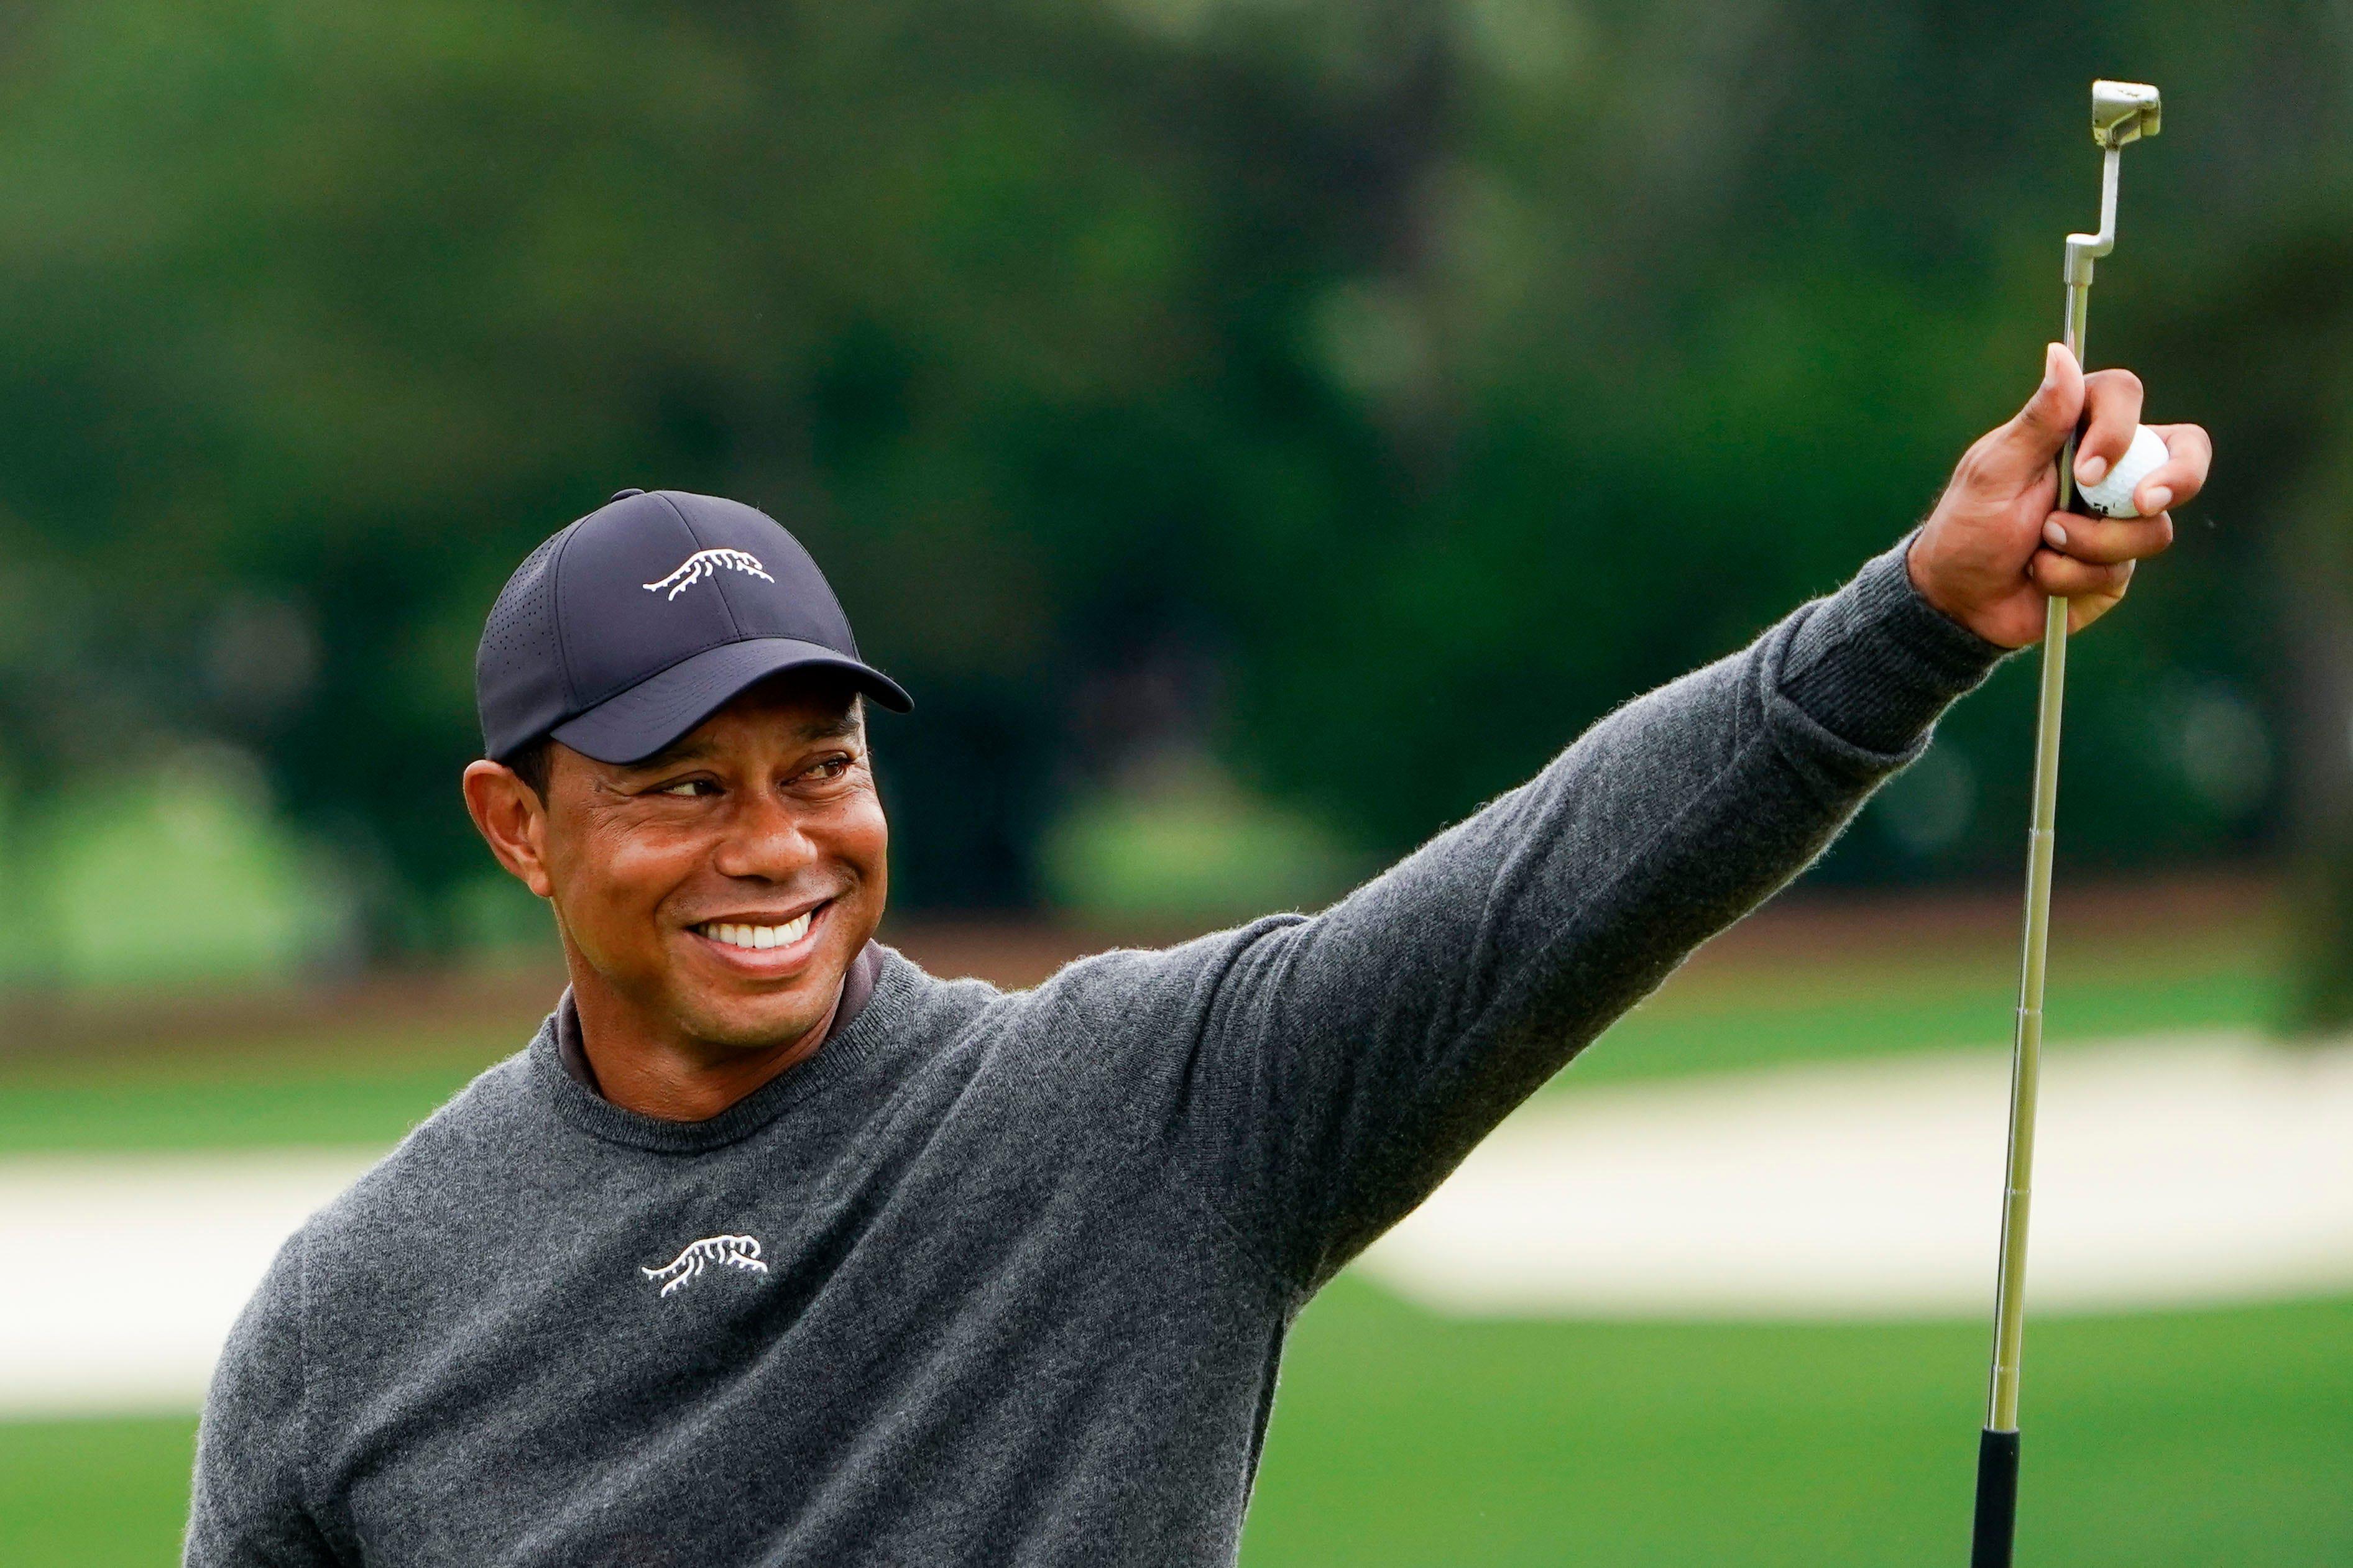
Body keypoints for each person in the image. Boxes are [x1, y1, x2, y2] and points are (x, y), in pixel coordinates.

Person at [185, 345, 2208, 1566]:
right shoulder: (352, 1315)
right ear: (515, 825)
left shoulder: (1152, 1112)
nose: (776, 845)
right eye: (683, 789)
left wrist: (1916, 615)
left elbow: (1546, 889)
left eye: (819, 768)